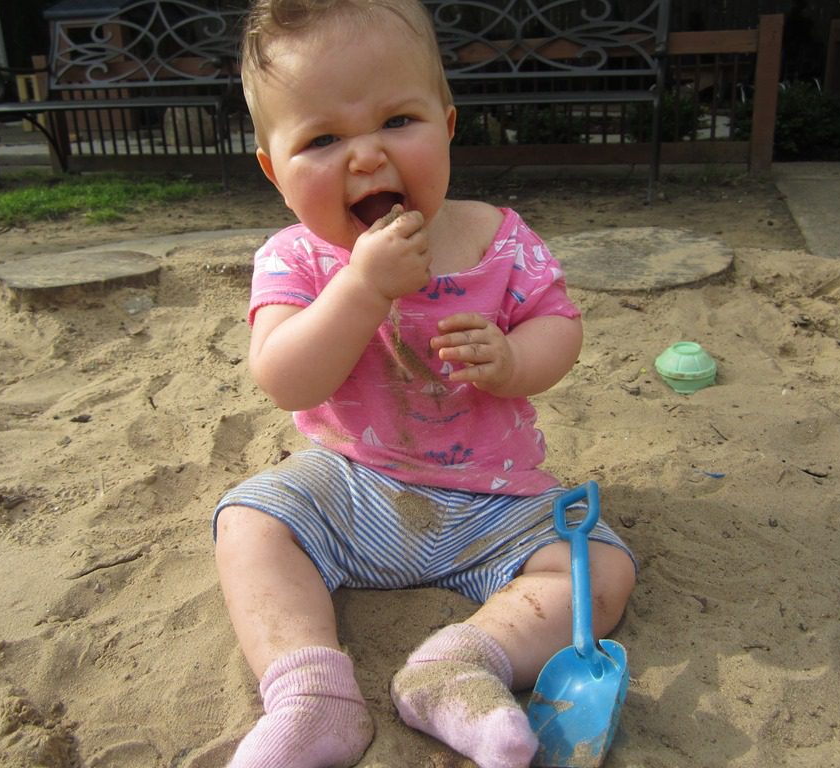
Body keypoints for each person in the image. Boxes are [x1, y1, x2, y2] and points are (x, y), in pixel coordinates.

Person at [212, 1, 637, 766]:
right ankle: (311, 695)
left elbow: (559, 325)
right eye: (323, 139)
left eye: (397, 121)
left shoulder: (499, 239)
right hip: (354, 485)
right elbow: (284, 377)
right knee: (250, 524)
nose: (366, 157)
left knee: (600, 568)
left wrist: (513, 360)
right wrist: (361, 289)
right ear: (275, 170)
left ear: (446, 125)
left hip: (496, 496)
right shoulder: (295, 258)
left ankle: (462, 666)